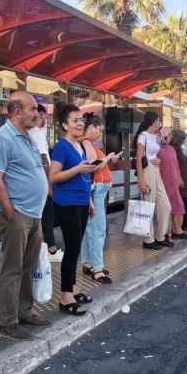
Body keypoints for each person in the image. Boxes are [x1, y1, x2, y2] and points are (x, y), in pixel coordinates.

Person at [0, 91, 52, 341]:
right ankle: (8, 321)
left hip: (34, 213)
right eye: (32, 109)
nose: (36, 113)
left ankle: (24, 311)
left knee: (29, 265)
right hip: (17, 214)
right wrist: (10, 213)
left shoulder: (27, 136)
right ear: (16, 112)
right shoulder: (1, 138)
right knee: (13, 268)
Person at [50, 103, 102, 315]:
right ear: (64, 125)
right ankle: (65, 296)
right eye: (74, 120)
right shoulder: (61, 147)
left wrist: (89, 201)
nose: (80, 123)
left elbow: (83, 177)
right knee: (71, 250)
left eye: (81, 120)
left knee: (76, 249)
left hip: (81, 202)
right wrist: (78, 169)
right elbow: (53, 177)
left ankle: (73, 288)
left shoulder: (80, 146)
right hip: (67, 203)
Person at [79, 112, 118, 284]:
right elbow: (93, 166)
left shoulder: (85, 143)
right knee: (98, 230)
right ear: (91, 127)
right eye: (99, 129)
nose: (101, 133)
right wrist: (107, 159)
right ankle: (97, 269)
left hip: (94, 191)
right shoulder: (86, 143)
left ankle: (88, 263)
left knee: (89, 229)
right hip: (96, 191)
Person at [28, 104, 64, 263]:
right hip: (42, 182)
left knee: (42, 217)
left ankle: (44, 248)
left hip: (39, 181)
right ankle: (50, 249)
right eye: (41, 115)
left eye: (45, 116)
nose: (45, 118)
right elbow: (43, 159)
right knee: (46, 216)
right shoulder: (35, 133)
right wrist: (49, 184)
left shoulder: (37, 133)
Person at [135, 111, 173, 250]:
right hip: (147, 171)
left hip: (156, 171)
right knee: (148, 206)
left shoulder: (156, 136)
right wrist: (141, 179)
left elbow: (164, 144)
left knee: (165, 205)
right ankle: (148, 239)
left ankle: (160, 236)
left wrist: (165, 133)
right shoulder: (143, 136)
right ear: (153, 122)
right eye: (158, 121)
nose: (160, 123)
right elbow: (138, 158)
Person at [158, 128, 187, 241]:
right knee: (166, 209)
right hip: (164, 182)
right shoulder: (158, 149)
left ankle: (177, 230)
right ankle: (167, 232)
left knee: (179, 206)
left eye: (170, 136)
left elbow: (176, 166)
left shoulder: (172, 149)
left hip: (174, 182)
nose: (169, 137)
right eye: (167, 136)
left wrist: (180, 178)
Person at [174, 130, 187, 232]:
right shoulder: (175, 149)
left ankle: (184, 224)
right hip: (181, 179)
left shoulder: (179, 149)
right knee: (183, 202)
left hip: (184, 177)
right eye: (183, 139)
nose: (184, 141)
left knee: (185, 201)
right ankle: (182, 226)